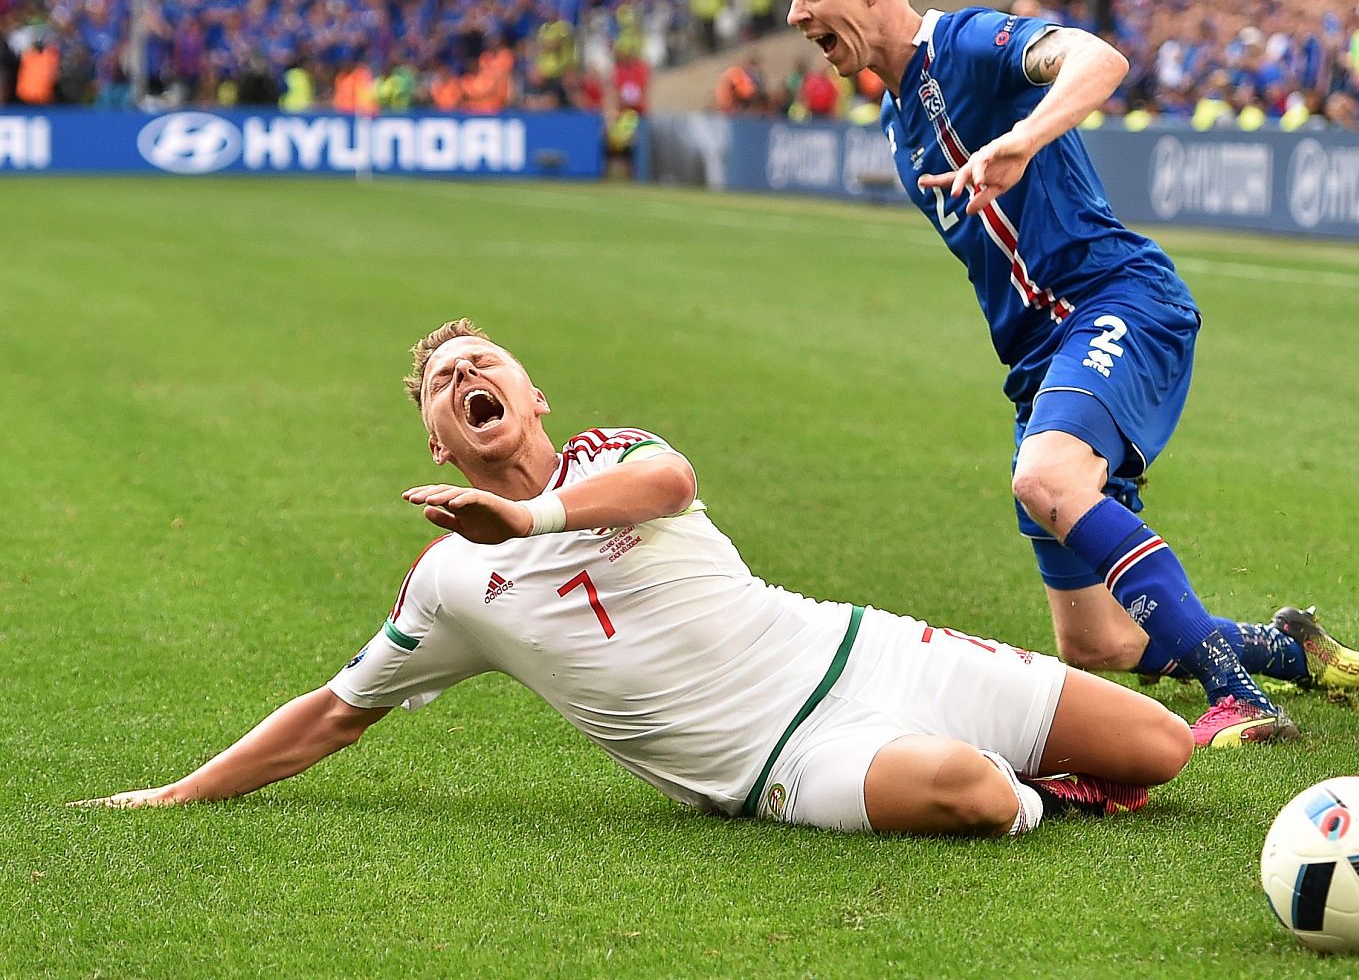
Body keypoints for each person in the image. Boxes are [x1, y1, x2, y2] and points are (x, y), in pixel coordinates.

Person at [73, 320, 1193, 837]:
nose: (465, 373)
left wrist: (530, 514)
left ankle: (1064, 768)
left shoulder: (610, 453)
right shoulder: (452, 583)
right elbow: (330, 714)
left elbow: (672, 482)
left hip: (859, 647)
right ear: (435, 443)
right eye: (441, 383)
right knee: (977, 792)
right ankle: (1040, 790)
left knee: (1161, 747)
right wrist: (177, 792)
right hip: (783, 761)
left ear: (533, 390)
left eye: (482, 360)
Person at [772, 0, 1359, 748]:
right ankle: (1285, 649)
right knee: (1096, 642)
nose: (796, 15)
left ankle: (1241, 695)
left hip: (1115, 304)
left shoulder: (961, 44)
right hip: (1040, 360)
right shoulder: (897, 117)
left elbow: (1097, 57)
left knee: (1047, 479)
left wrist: (1025, 137)